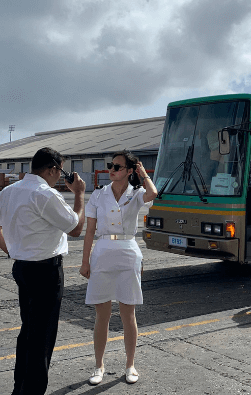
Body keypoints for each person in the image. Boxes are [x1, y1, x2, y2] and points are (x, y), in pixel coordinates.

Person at [0, 147, 86, 395]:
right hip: (45, 271)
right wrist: (79, 194)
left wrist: (13, 250)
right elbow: (75, 228)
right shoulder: (45, 194)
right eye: (61, 171)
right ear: (53, 169)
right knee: (42, 337)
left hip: (22, 268)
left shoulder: (8, 191)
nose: (61, 177)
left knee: (28, 331)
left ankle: (20, 388)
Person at [79, 151, 158, 385]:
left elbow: (154, 193)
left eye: (117, 166)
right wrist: (85, 262)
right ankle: (98, 366)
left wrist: (143, 172)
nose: (111, 169)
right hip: (102, 252)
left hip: (128, 250)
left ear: (129, 170)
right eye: (110, 166)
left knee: (128, 314)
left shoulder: (137, 193)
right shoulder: (98, 195)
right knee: (101, 315)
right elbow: (90, 231)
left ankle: (130, 365)